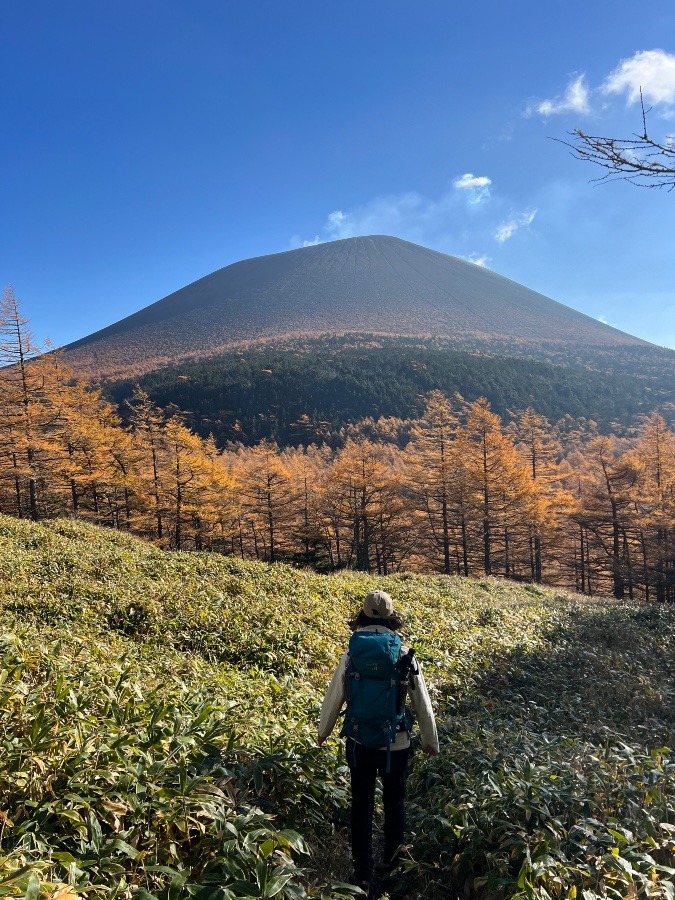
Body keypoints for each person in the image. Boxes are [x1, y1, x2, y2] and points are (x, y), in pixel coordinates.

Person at [318, 589, 439, 892]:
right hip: (395, 744)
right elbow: (421, 701)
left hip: (359, 742)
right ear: (391, 616)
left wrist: (324, 731)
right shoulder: (403, 653)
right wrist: (429, 740)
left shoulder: (352, 652)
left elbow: (335, 695)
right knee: (395, 801)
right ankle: (394, 864)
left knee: (361, 805)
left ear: (362, 614)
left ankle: (362, 872)